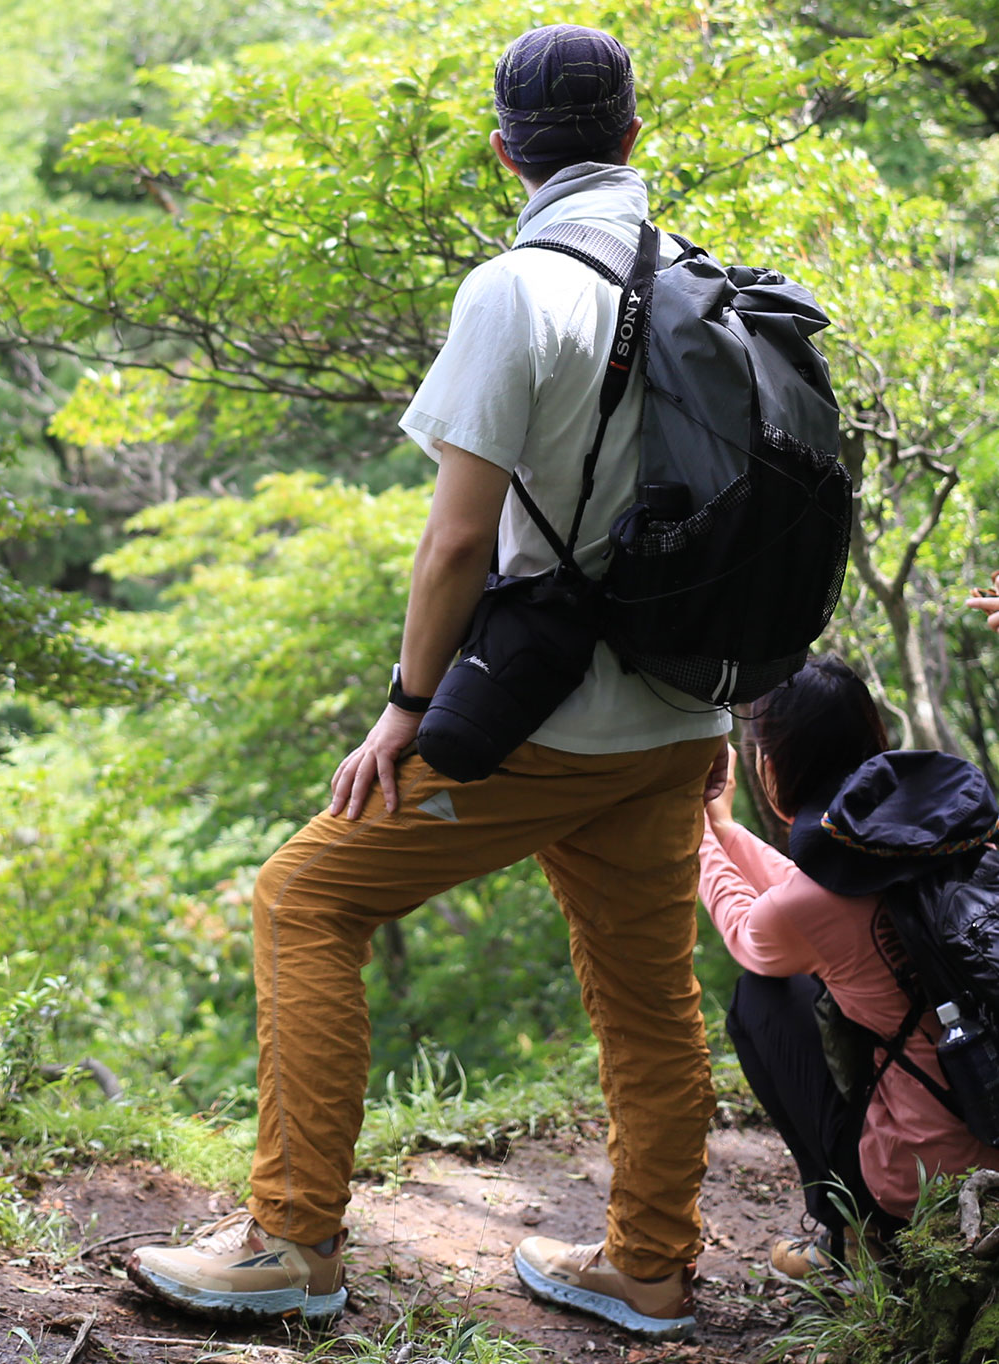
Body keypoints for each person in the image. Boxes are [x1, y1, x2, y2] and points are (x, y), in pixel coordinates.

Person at [126, 24, 731, 1342]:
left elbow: (460, 536)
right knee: (648, 999)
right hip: (681, 713)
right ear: (634, 139)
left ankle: (290, 1240)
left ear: (504, 150)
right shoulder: (699, 281)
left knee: (304, 900)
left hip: (548, 717)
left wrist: (407, 709)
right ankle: (647, 1264)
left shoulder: (520, 288)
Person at [700, 653, 999, 1277]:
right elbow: (806, 901)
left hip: (929, 1175)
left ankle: (851, 1233)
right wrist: (728, 832)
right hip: (987, 1106)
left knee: (761, 997)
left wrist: (699, 831)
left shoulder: (812, 905)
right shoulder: (954, 833)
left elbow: (751, 928)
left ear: (774, 765)